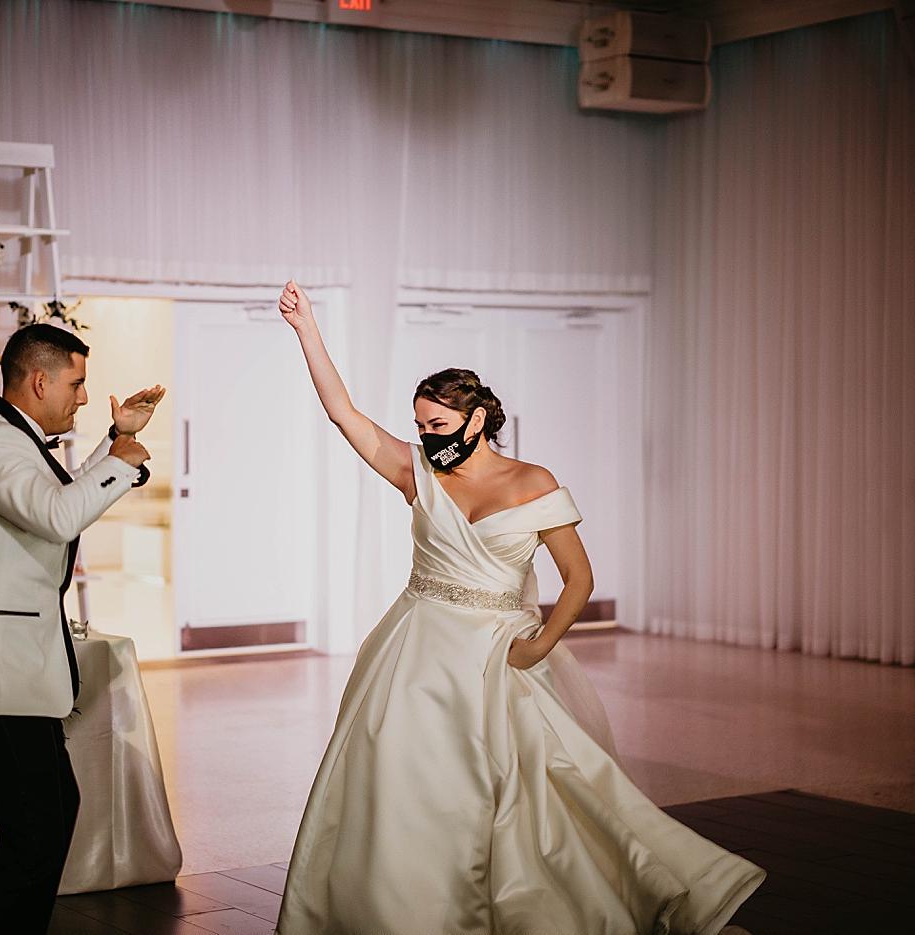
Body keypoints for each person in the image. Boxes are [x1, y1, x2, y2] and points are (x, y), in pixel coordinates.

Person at [273, 281, 765, 935]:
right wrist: (308, 329)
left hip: (499, 650)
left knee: (533, 787)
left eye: (439, 425)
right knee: (407, 783)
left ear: (478, 421)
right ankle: (408, 909)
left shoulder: (532, 481)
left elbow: (579, 577)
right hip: (417, 648)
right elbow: (345, 414)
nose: (427, 436)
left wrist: (538, 645)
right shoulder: (417, 472)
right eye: (421, 425)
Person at [0, 323, 164, 934]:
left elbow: (56, 501)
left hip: (8, 668)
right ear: (39, 380)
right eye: (77, 384)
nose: (83, 397)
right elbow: (56, 516)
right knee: (35, 837)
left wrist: (118, 441)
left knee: (50, 820)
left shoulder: (14, 440)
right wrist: (124, 465)